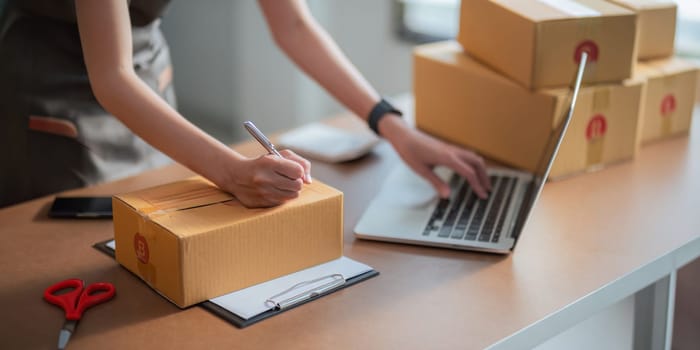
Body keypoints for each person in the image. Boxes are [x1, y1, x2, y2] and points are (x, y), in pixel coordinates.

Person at [0, 0, 491, 209]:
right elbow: (112, 77)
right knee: (60, 249)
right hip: (54, 81)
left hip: (144, 60)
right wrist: (232, 171)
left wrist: (394, 127)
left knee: (149, 229)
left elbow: (293, 25)